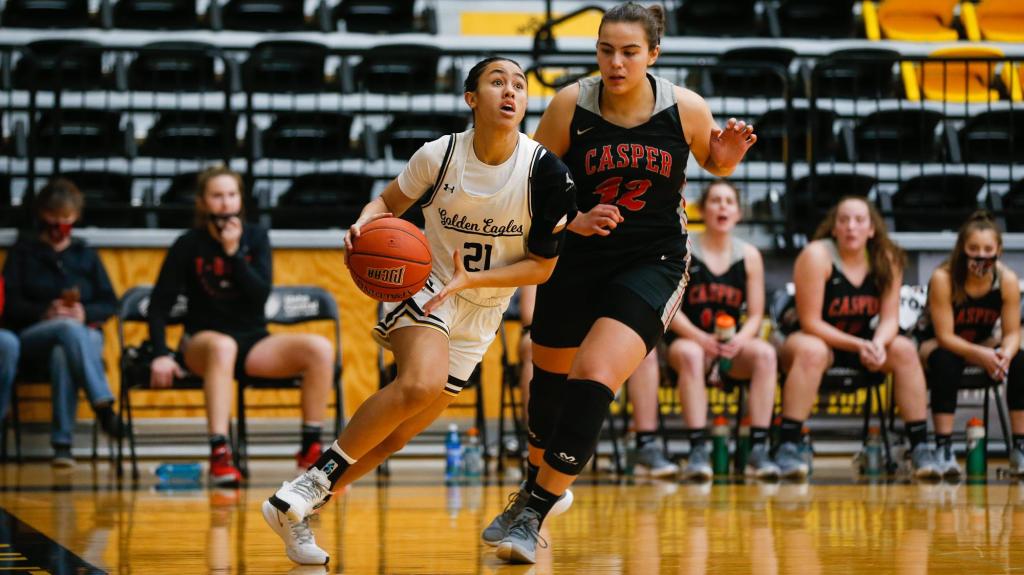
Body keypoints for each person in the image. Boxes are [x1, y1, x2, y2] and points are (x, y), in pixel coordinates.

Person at [260, 57, 578, 566]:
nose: (510, 91)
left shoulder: (546, 174)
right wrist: (364, 223)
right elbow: (385, 204)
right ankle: (310, 483)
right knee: (419, 382)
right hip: (425, 285)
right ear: (472, 98)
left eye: (519, 85)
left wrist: (472, 281)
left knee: (395, 436)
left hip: (483, 306)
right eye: (497, 82)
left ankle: (297, 510)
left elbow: (542, 268)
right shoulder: (440, 155)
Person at [484, 2, 757, 564]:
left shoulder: (685, 107)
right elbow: (528, 183)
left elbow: (714, 162)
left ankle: (534, 513)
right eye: (606, 50)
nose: (616, 62)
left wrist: (725, 159)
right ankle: (537, 490)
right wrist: (572, 220)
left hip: (653, 260)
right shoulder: (571, 104)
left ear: (653, 54)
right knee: (548, 391)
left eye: (630, 52)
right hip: (576, 258)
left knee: (593, 374)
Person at [147, 166, 334, 489]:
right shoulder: (188, 244)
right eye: (217, 196)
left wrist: (234, 254)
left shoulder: (256, 237)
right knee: (223, 346)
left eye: (231, 195)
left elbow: (260, 295)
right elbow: (158, 306)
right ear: (202, 202)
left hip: (252, 340)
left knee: (320, 348)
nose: (225, 202)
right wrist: (160, 354)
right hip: (202, 342)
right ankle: (220, 453)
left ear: (240, 200)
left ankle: (310, 450)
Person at [775, 196, 939, 480]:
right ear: (834, 228)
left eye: (859, 220)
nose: (851, 226)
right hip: (814, 338)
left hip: (863, 341)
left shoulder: (886, 258)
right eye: (844, 220)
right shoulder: (816, 255)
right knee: (812, 350)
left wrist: (877, 344)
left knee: (903, 349)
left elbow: (890, 319)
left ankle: (920, 446)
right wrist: (859, 345)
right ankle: (787, 444)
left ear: (872, 229)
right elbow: (811, 322)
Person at [1, 178, 120, 467]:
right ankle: (103, 404)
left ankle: (62, 445)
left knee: (65, 350)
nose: (58, 228)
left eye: (65, 220)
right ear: (42, 216)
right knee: (67, 329)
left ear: (75, 217)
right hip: (33, 336)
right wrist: (45, 312)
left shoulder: (85, 254)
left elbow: (110, 302)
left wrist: (84, 312)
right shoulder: (23, 253)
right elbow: (9, 305)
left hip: (83, 335)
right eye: (52, 219)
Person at [666, 179, 779, 480]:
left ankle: (758, 449)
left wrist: (739, 340)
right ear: (702, 209)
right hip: (690, 341)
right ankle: (698, 450)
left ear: (738, 213)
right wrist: (701, 339)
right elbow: (670, 308)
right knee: (690, 353)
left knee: (765, 354)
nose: (722, 207)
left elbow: (755, 315)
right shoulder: (684, 248)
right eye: (715, 201)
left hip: (731, 346)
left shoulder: (750, 256)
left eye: (729, 202)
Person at [917, 211, 1022, 477]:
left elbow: (1012, 333)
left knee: (1021, 358)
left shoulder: (1006, 280)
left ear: (998, 250)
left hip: (981, 341)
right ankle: (943, 447)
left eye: (988, 249)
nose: (980, 255)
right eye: (973, 248)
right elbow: (945, 336)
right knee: (946, 360)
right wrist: (983, 355)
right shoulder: (944, 277)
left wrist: (1005, 355)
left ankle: (1020, 447)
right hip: (935, 341)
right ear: (962, 249)